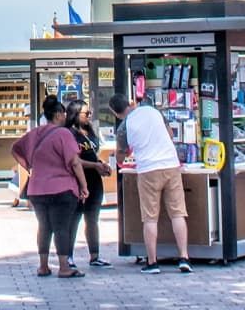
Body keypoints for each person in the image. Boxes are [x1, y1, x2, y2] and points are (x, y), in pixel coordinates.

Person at [110, 93, 191, 273]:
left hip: (148, 170)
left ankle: (152, 262)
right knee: (177, 213)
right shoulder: (152, 111)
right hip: (170, 165)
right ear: (130, 103)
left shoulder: (124, 128)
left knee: (150, 218)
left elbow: (121, 156)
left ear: (116, 113)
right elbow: (170, 133)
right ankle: (184, 257)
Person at [13, 96, 89, 278]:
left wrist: (29, 166)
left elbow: (16, 148)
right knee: (62, 227)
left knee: (44, 227)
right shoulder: (64, 134)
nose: (65, 116)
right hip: (62, 188)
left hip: (37, 189)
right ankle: (64, 267)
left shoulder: (35, 133)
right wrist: (84, 186)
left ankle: (43, 266)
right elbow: (75, 162)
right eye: (63, 113)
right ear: (57, 115)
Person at [67, 100, 113, 267]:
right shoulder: (69, 134)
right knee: (74, 218)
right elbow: (74, 160)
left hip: (94, 180)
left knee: (92, 218)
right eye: (86, 114)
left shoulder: (90, 132)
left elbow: (92, 154)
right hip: (78, 180)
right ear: (75, 115)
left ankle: (95, 255)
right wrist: (95, 165)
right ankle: (68, 256)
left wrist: (101, 165)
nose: (89, 116)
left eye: (90, 113)